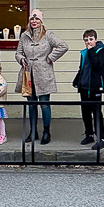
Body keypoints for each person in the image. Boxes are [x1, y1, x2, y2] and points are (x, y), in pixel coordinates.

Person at [15, 8, 68, 145]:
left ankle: (46, 131)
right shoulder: (24, 36)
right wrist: (21, 59)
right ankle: (33, 131)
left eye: (37, 19)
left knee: (44, 104)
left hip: (43, 74)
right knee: (31, 105)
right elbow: (18, 52)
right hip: (28, 74)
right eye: (32, 19)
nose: (34, 21)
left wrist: (50, 57)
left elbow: (63, 46)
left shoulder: (48, 35)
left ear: (41, 21)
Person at [72, 28, 104, 149]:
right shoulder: (84, 53)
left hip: (95, 87)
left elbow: (98, 66)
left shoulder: (100, 51)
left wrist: (92, 51)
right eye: (86, 40)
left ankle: (101, 138)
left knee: (97, 112)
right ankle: (89, 134)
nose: (88, 42)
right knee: (85, 113)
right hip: (84, 87)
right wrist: (77, 80)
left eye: (91, 39)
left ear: (95, 40)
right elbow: (82, 68)